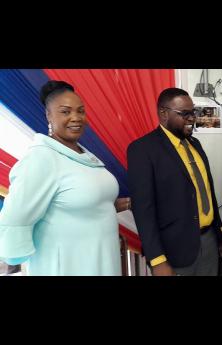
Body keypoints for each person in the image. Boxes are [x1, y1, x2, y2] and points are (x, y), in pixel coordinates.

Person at [0, 80, 130, 275]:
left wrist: (121, 206)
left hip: (102, 261)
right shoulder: (41, 158)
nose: (76, 117)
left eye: (80, 111)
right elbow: (15, 217)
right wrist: (15, 257)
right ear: (48, 115)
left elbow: (79, 201)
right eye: (65, 111)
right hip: (68, 266)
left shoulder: (85, 155)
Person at [127, 88, 222, 276]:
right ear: (163, 114)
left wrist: (218, 232)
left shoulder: (195, 144)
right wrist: (157, 260)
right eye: (185, 114)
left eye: (193, 112)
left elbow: (206, 190)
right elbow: (143, 211)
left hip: (209, 242)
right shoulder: (142, 150)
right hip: (174, 252)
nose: (192, 118)